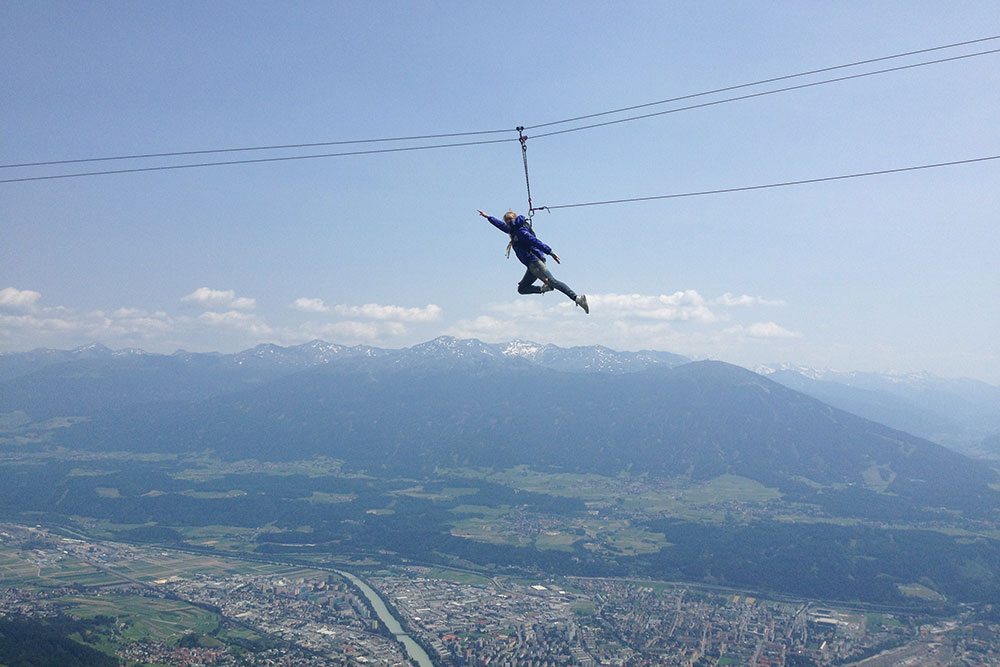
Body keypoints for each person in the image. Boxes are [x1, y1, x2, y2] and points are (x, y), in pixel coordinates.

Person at [477, 209, 589, 313]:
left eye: (510, 219)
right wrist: (488, 217)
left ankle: (577, 298)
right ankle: (544, 288)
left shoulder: (520, 232)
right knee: (522, 288)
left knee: (552, 281)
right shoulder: (512, 231)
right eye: (506, 220)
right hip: (531, 265)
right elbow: (500, 225)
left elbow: (535, 242)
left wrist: (550, 252)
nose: (507, 222)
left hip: (534, 261)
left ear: (514, 219)